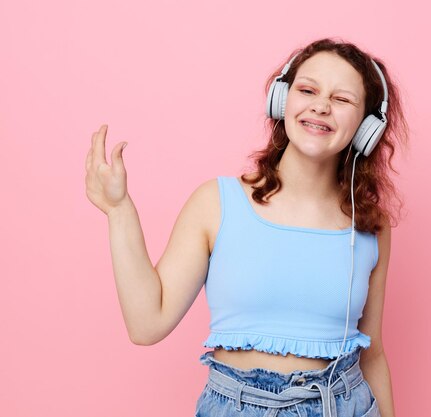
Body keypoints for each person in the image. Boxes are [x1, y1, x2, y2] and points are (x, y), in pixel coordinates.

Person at [84, 38, 408, 417]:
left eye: (342, 100)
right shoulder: (216, 202)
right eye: (308, 90)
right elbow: (146, 324)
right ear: (282, 99)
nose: (321, 105)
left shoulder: (370, 224)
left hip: (342, 403)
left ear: (367, 125)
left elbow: (373, 356)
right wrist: (119, 210)